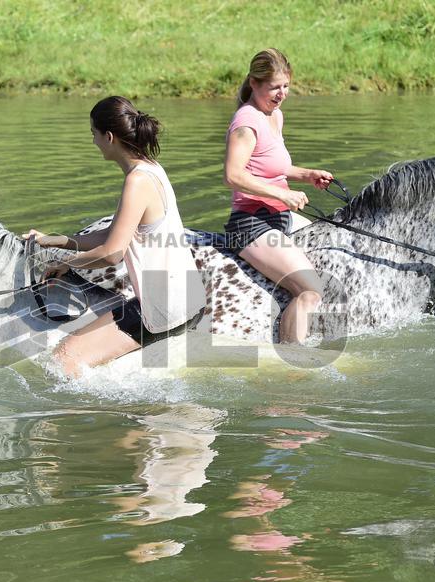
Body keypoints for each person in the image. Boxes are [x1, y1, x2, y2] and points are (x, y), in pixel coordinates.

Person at [26, 96, 205, 377]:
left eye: (94, 135)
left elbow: (112, 253)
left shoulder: (136, 181)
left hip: (163, 306)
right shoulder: (152, 169)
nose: (94, 142)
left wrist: (72, 264)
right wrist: (56, 241)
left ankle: (92, 419)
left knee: (62, 359)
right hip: (188, 297)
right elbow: (113, 233)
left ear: (109, 137)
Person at [223, 48, 334, 344]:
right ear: (254, 83)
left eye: (286, 86)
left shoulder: (275, 115)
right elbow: (233, 175)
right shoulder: (246, 122)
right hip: (250, 224)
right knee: (310, 291)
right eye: (274, 87)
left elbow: (274, 167)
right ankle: (293, 361)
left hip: (279, 218)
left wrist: (307, 174)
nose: (281, 93)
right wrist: (281, 195)